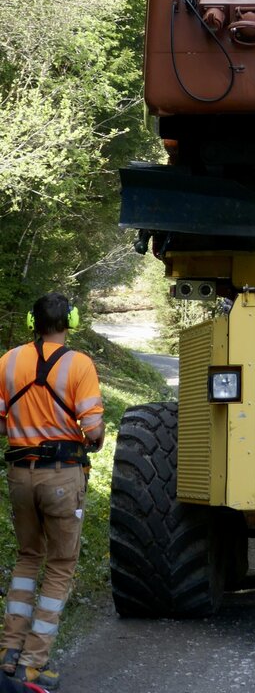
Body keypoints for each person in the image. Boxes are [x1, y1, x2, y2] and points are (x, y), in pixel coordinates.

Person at [0, 293, 104, 692]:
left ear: (32, 321)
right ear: (71, 321)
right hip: (61, 477)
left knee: (28, 558)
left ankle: (8, 654)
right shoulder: (79, 365)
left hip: (19, 474)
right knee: (60, 565)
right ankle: (32, 665)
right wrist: (92, 437)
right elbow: (93, 430)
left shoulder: (8, 361)